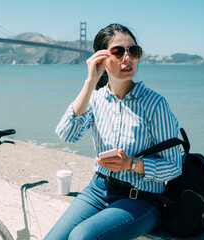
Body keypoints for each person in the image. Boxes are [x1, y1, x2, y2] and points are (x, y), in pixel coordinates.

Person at [44, 23, 182, 240]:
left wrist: (131, 164)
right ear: (102, 59)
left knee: (82, 237)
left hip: (142, 199)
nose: (127, 58)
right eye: (118, 52)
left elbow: (174, 166)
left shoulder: (155, 104)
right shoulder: (96, 98)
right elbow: (67, 133)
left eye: (133, 51)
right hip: (98, 190)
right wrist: (90, 81)